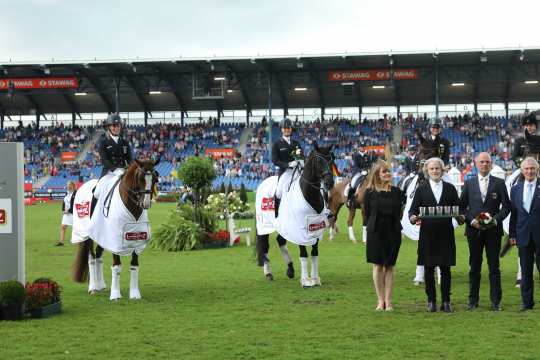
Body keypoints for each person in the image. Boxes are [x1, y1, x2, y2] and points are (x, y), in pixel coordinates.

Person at [459, 152, 511, 311]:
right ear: (475, 164)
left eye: (487, 162)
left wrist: (495, 220)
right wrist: (471, 220)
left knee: (494, 267)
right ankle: (472, 301)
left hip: (493, 231)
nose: (484, 164)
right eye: (481, 162)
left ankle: (496, 301)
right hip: (474, 231)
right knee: (474, 266)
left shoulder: (499, 183)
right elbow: (461, 207)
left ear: (491, 164)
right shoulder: (468, 183)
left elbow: (507, 207)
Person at [409, 157, 461, 313]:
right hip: (427, 235)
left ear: (442, 170)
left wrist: (462, 217)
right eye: (431, 169)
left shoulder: (450, 189)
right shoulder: (421, 189)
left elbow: (458, 210)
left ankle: (446, 302)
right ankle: (431, 301)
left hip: (446, 235)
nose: (435, 171)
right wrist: (413, 217)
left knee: (446, 269)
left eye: (437, 168)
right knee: (429, 269)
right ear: (427, 171)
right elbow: (413, 210)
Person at [363, 160, 405, 311]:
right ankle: (380, 301)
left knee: (389, 267)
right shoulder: (369, 193)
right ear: (377, 175)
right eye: (384, 171)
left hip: (393, 232)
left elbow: (399, 214)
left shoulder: (398, 192)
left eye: (388, 171)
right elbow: (366, 215)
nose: (387, 173)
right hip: (375, 232)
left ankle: (389, 301)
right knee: (377, 266)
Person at [509, 157, 540, 311]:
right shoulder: (515, 189)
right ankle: (527, 303)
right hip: (523, 236)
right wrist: (512, 235)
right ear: (522, 171)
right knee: (526, 271)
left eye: (532, 168)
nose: (529, 171)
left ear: (537, 170)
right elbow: (514, 215)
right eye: (526, 169)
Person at [93, 113, 133, 205]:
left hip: (123, 171)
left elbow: (130, 159)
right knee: (97, 192)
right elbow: (104, 160)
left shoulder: (125, 142)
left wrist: (129, 169)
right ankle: (92, 215)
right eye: (113, 126)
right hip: (109, 172)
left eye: (118, 125)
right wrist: (115, 170)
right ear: (109, 127)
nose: (116, 128)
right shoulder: (103, 142)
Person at [272, 118, 303, 215]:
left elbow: (301, 155)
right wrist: (288, 164)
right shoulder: (277, 144)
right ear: (281, 129)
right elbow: (275, 160)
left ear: (291, 129)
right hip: (285, 172)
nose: (287, 130)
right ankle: (277, 213)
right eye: (285, 128)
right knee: (278, 192)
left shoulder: (296, 143)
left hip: (298, 171)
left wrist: (301, 161)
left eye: (288, 128)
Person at [56, 181, 77, 246]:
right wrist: (63, 210)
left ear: (72, 186)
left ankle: (76, 240)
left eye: (68, 185)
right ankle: (61, 242)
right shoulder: (67, 193)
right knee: (63, 227)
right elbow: (64, 202)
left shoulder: (76, 193)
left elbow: (74, 204)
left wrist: (68, 211)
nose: (67, 186)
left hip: (72, 213)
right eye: (67, 185)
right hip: (66, 213)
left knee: (75, 228)